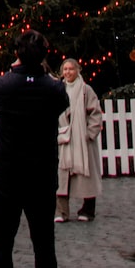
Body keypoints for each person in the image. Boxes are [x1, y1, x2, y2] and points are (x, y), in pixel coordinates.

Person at [0, 30, 69, 268]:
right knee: (44, 243)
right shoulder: (53, 89)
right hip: (41, 174)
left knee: (2, 242)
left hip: (8, 175)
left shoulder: (4, 85)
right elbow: (60, 102)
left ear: (17, 55)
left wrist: (14, 72)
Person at [55, 57, 104, 222]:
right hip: (63, 138)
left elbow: (95, 113)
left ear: (78, 71)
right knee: (62, 176)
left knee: (86, 176)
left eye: (71, 69)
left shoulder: (85, 90)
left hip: (82, 140)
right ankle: (61, 211)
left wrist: (89, 133)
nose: (68, 72)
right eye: (65, 69)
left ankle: (88, 210)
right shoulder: (57, 90)